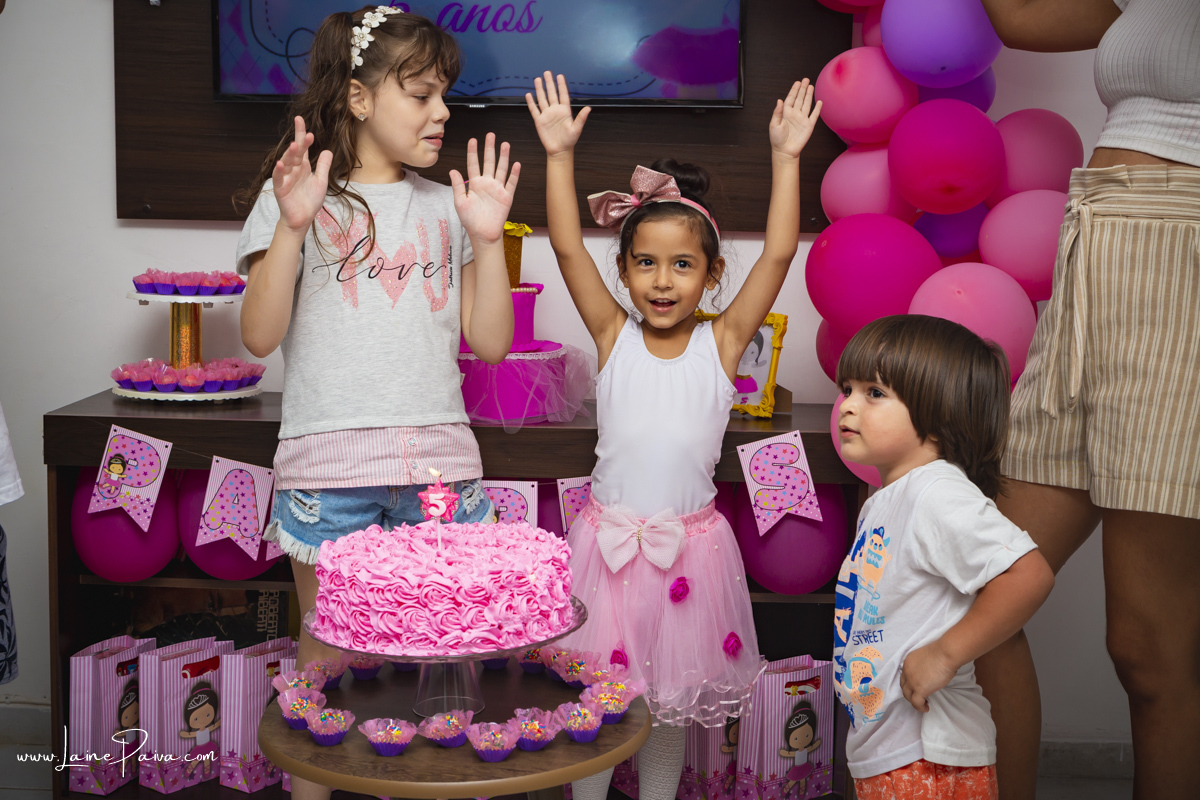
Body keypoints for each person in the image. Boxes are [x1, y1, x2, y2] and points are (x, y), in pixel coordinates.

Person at [234, 8, 518, 799]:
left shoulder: (447, 207)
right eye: (421, 94)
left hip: (441, 471)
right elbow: (258, 337)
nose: (442, 112)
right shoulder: (293, 194)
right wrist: (293, 227)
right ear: (358, 98)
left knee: (447, 665)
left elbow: (490, 343)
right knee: (324, 662)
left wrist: (488, 241)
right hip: (328, 475)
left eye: (445, 95)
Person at [525, 71, 821, 800]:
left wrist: (786, 159)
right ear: (622, 273)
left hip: (690, 557)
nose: (663, 281)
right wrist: (558, 156)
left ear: (711, 275)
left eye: (683, 265)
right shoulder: (611, 335)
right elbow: (565, 247)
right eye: (646, 263)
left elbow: (780, 255)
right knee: (595, 707)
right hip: (609, 551)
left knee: (668, 714)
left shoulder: (722, 346)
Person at [974, 2, 1200, 797]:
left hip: (1179, 259)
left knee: (1148, 649)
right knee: (963, 586)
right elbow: (1026, 17)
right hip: (1095, 246)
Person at [832, 315, 1055, 800]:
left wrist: (944, 654)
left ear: (938, 412)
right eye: (846, 388)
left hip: (929, 757)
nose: (846, 406)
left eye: (873, 393)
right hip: (888, 747)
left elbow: (1027, 573)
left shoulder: (937, 493)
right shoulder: (887, 500)